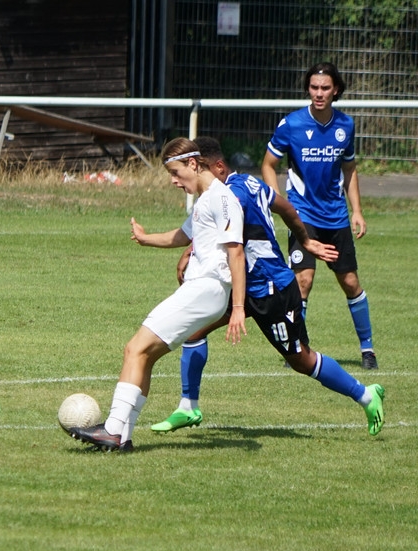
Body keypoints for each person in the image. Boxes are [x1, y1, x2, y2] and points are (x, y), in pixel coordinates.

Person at [150, 137, 385, 436]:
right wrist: (305, 239)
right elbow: (285, 207)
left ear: (216, 167)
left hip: (271, 288)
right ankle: (188, 407)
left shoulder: (230, 195)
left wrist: (192, 251)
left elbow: (233, 240)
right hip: (243, 284)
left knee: (301, 359)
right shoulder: (248, 183)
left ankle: (366, 395)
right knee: (194, 330)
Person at [64, 137, 247, 452]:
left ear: (193, 163)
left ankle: (112, 429)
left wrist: (239, 307)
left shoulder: (222, 198)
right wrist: (145, 238)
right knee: (145, 357)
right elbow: (184, 235)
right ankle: (123, 437)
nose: (174, 181)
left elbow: (237, 253)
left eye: (176, 172)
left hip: (206, 288)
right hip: (205, 292)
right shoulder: (206, 199)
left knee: (134, 348)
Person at [261, 62, 377, 370]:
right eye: (314, 87)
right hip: (302, 216)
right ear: (308, 89)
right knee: (303, 280)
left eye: (325, 88)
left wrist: (357, 211)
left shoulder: (345, 126)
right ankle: (298, 349)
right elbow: (268, 164)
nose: (319, 93)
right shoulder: (291, 125)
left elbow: (349, 169)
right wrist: (278, 202)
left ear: (335, 90)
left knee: (350, 281)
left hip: (336, 216)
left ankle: (368, 350)